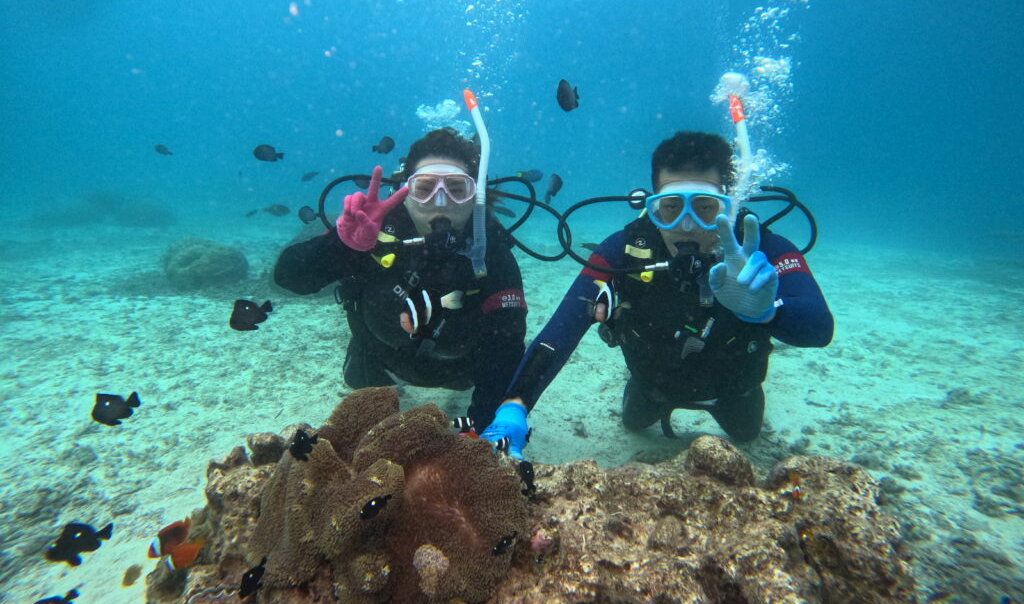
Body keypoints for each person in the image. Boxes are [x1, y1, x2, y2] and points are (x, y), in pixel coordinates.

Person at [481, 130, 833, 458]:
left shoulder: (765, 248)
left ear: (730, 204)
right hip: (652, 386)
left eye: (706, 207)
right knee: (634, 421)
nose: (687, 224)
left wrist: (767, 312)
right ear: (653, 205)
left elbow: (819, 328)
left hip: (734, 390)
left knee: (745, 432)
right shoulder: (623, 250)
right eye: (671, 206)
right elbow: (563, 328)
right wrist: (515, 405)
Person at [274, 128, 528, 429]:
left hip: (462, 371)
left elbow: (507, 348)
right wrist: (343, 246)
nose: (441, 202)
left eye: (457, 189)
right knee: (360, 382)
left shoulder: (490, 252)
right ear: (404, 195)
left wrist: (481, 427)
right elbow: (288, 277)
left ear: (476, 198)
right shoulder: (374, 234)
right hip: (380, 360)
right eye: (424, 189)